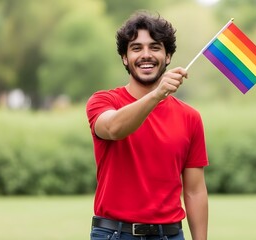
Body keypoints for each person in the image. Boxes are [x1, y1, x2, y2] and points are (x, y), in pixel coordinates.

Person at [86, 11, 209, 240]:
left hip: (169, 235)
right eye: (136, 48)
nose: (146, 55)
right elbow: (113, 128)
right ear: (124, 57)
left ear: (168, 56)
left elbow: (195, 191)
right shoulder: (102, 102)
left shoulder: (190, 117)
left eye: (154, 47)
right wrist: (157, 95)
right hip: (113, 234)